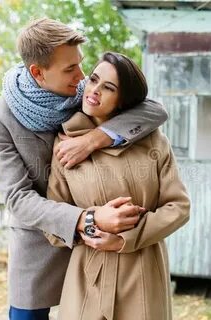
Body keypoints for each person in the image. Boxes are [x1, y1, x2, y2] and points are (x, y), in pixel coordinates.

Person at [0, 18, 168, 320]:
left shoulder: (84, 91)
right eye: (70, 69)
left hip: (101, 249)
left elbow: (154, 109)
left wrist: (96, 138)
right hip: (41, 245)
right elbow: (17, 198)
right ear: (38, 73)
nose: (82, 76)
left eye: (80, 65)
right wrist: (88, 218)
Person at [47, 52, 190, 320]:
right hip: (87, 278)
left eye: (108, 87)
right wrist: (91, 224)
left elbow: (178, 207)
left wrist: (126, 238)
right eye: (94, 80)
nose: (94, 91)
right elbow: (52, 223)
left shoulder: (154, 142)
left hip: (142, 273)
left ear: (124, 100)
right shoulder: (64, 144)